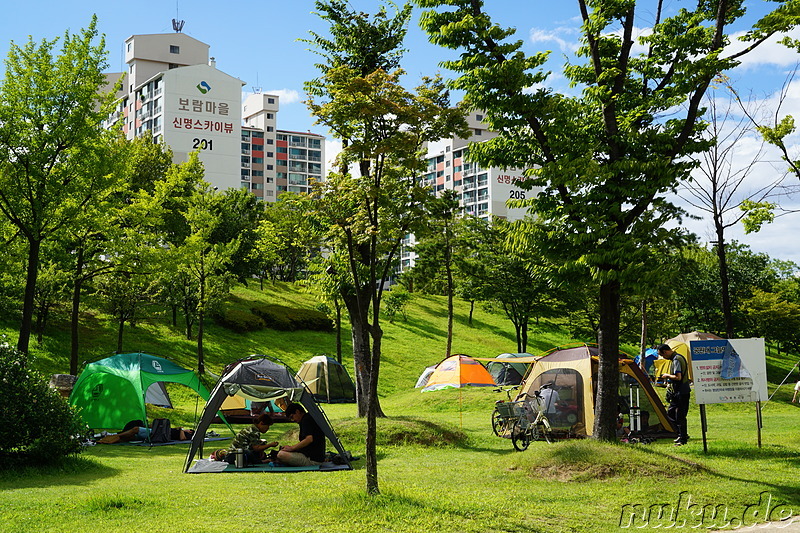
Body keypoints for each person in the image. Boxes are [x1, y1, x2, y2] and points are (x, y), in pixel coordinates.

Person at [658, 343, 691, 446]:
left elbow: (678, 377)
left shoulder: (677, 359)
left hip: (682, 391)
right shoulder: (676, 358)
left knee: (680, 416)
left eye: (663, 355)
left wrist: (666, 375)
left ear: (666, 352)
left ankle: (683, 439)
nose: (663, 357)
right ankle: (680, 434)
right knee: (671, 413)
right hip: (677, 392)